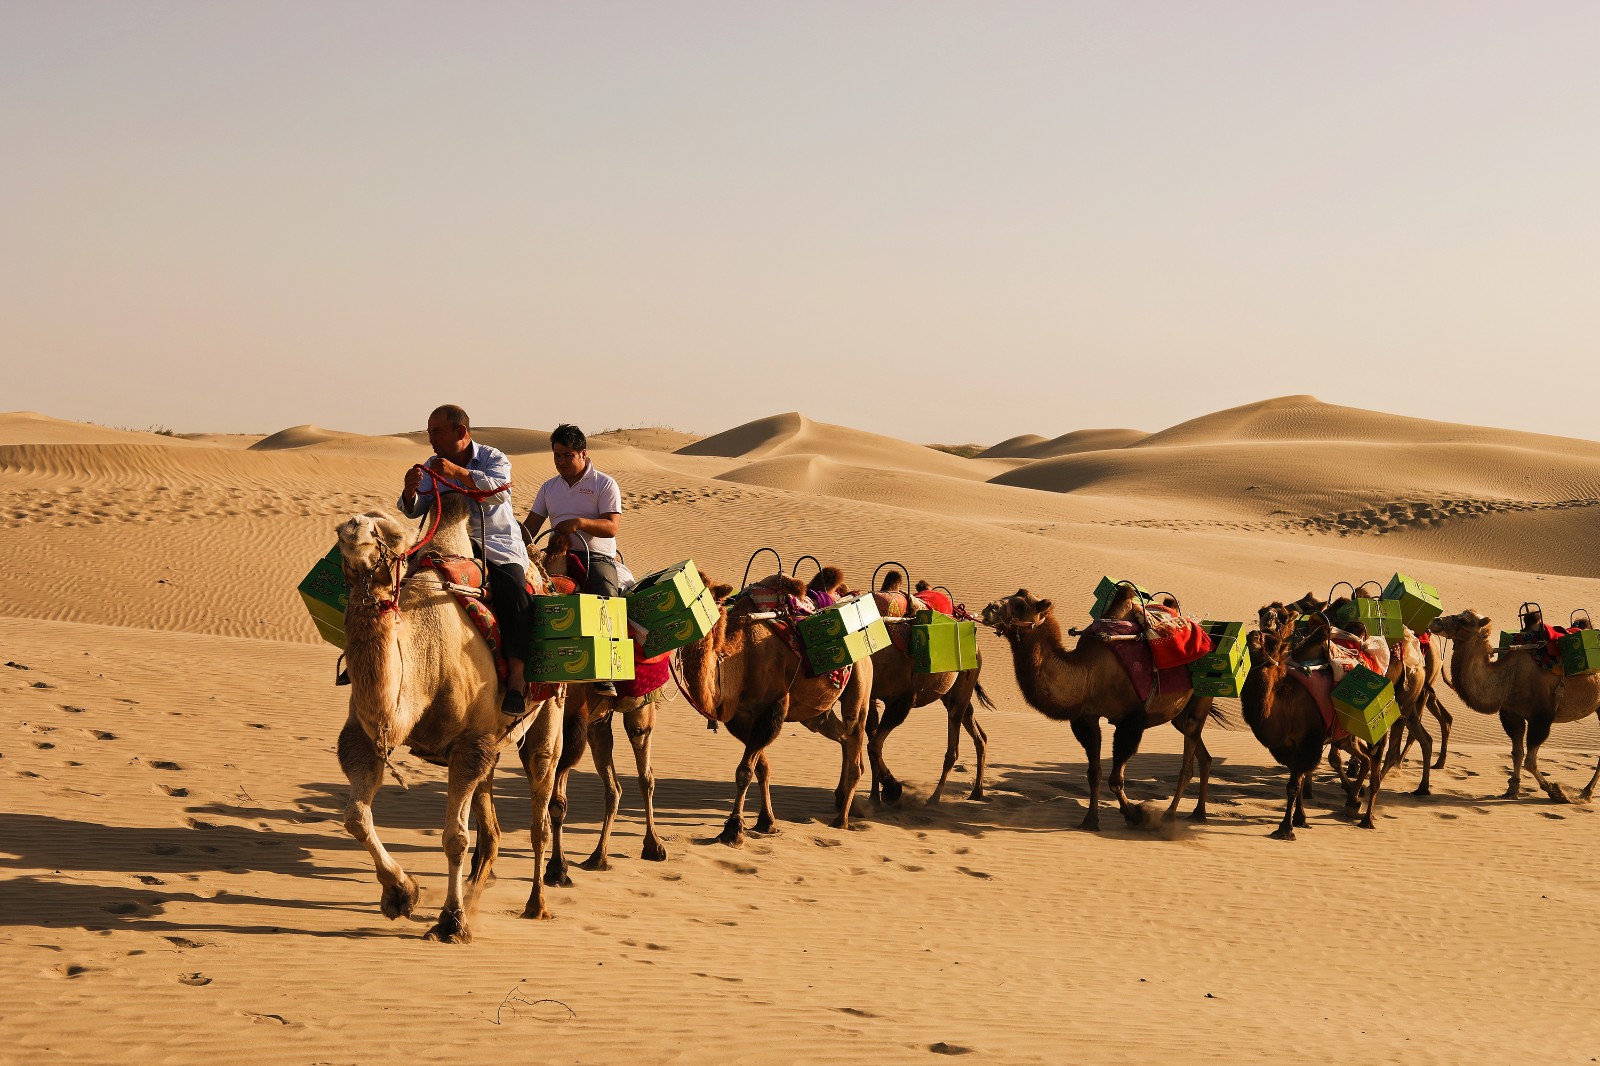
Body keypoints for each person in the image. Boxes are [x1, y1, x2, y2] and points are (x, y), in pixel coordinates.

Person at [398, 404, 534, 717]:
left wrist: (458, 474)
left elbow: (498, 492)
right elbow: (416, 508)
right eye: (429, 431)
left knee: (514, 592)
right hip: (447, 544)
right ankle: (370, 655)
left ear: (460, 432)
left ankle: (516, 679)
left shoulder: (493, 458)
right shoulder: (432, 464)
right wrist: (409, 493)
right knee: (395, 579)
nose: (430, 438)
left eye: (436, 431)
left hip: (494, 545)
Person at [525, 423, 625, 696]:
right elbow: (530, 528)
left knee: (606, 596)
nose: (561, 462)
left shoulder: (604, 483)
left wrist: (578, 523)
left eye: (567, 455)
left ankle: (606, 672)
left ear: (583, 453)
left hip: (597, 556)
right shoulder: (549, 488)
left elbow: (612, 527)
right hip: (555, 556)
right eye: (557, 456)